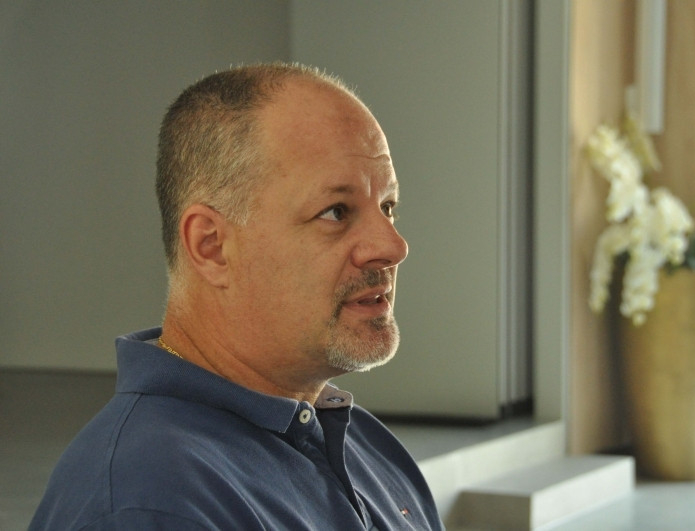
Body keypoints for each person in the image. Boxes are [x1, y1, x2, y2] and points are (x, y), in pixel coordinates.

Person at [30, 62, 443, 530]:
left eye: (387, 206)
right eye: (335, 212)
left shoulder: (364, 446)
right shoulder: (150, 502)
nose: (393, 246)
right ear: (211, 246)